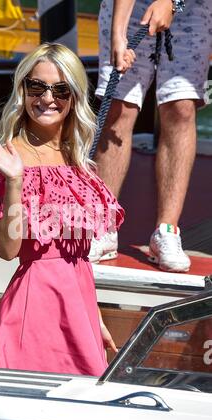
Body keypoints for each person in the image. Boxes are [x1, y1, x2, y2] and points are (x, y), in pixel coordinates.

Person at [0, 43, 124, 376]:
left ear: (74, 97)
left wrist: (94, 318)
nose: (47, 97)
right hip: (29, 320)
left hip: (79, 317)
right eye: (36, 86)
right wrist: (14, 182)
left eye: (60, 89)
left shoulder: (80, 165)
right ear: (23, 91)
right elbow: (8, 252)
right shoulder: (7, 159)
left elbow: (76, 260)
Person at [89, 0, 212, 272]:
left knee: (181, 107)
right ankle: (103, 227)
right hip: (130, 6)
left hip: (192, 8)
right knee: (119, 106)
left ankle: (166, 231)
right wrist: (118, 34)